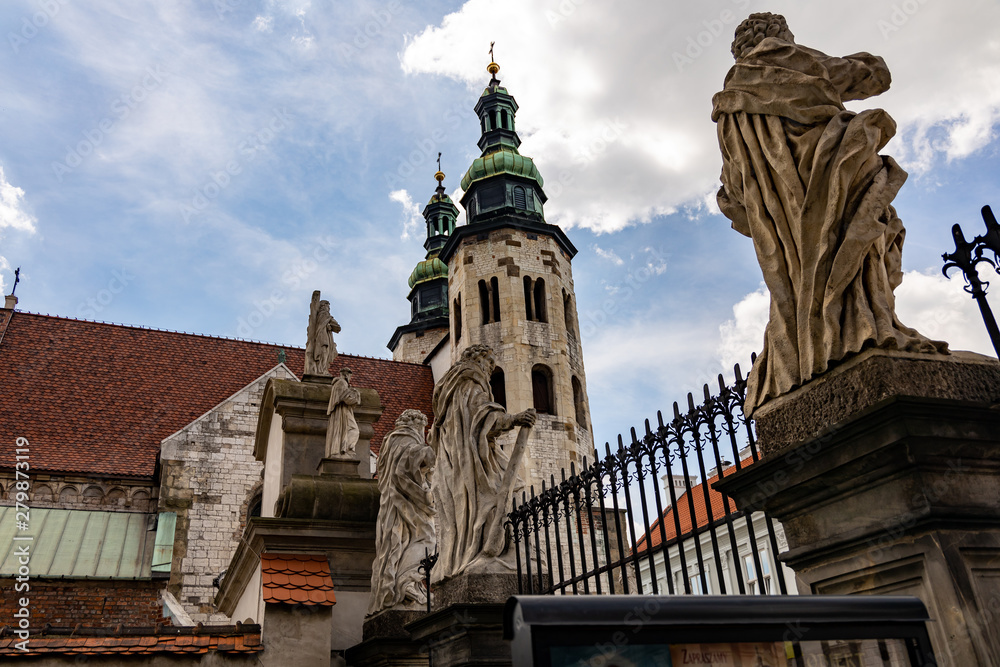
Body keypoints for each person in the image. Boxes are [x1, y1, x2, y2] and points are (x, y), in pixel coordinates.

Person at [712, 13, 946, 413]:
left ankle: (810, 349)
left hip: (780, 226)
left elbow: (730, 193)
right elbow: (873, 74)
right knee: (852, 249)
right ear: (778, 35)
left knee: (797, 281)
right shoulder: (788, 59)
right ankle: (860, 330)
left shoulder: (729, 112)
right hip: (834, 184)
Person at [429, 344, 536, 580]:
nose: (490, 369)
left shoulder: (450, 387)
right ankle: (486, 553)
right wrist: (513, 419)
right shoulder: (470, 380)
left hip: (455, 462)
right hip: (472, 462)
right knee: (502, 494)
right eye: (490, 364)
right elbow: (481, 415)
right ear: (478, 359)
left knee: (466, 511)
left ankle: (465, 557)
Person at [369, 409, 436, 615]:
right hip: (406, 505)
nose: (422, 432)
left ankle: (406, 586)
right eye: (422, 428)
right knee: (427, 541)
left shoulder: (390, 442)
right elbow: (412, 463)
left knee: (395, 546)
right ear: (415, 424)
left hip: (393, 504)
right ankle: (407, 581)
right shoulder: (405, 440)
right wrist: (432, 447)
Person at [326, 368, 361, 457]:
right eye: (350, 376)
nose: (350, 378)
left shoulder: (340, 383)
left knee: (348, 430)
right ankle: (347, 449)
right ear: (346, 375)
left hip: (343, 410)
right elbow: (345, 398)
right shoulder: (341, 383)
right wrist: (355, 395)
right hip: (342, 411)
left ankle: (345, 448)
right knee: (354, 430)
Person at [305, 290, 341, 376]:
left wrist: (330, 326)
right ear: (324, 306)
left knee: (325, 353)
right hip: (322, 337)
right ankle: (321, 370)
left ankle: (322, 369)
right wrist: (330, 324)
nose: (329, 308)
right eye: (328, 307)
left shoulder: (324, 316)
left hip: (323, 336)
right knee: (324, 353)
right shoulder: (324, 314)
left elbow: (337, 327)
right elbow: (337, 327)